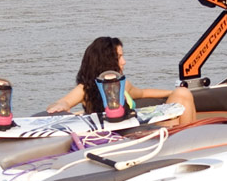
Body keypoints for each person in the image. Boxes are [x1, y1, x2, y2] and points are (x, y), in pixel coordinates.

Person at [46, 36, 198, 122]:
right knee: (182, 98)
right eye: (119, 57)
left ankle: (190, 139)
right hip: (122, 136)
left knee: (182, 94)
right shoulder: (86, 88)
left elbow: (144, 93)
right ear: (105, 60)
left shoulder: (123, 85)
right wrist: (59, 106)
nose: (124, 62)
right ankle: (190, 141)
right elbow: (65, 101)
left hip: (137, 126)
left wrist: (174, 91)